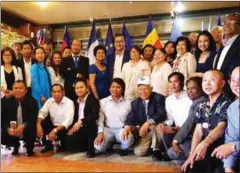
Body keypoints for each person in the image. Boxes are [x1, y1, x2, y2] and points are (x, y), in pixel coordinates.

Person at [181, 69, 231, 173]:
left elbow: (221, 127)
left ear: (222, 83)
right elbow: (198, 131)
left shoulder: (227, 103)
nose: (207, 83)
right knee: (189, 168)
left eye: (212, 80)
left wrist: (205, 143)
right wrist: (191, 155)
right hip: (205, 147)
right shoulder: (202, 106)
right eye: (204, 80)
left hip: (223, 148)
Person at [122, 76, 166, 159]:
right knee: (138, 152)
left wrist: (148, 122)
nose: (143, 92)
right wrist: (127, 126)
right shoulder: (135, 103)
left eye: (145, 89)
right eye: (140, 89)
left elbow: (161, 114)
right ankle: (151, 145)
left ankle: (156, 150)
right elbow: (131, 116)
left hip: (156, 127)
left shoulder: (158, 98)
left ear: (151, 88)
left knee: (156, 125)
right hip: (146, 131)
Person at [167, 77, 206, 164]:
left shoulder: (201, 102)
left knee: (171, 152)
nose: (190, 91)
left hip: (201, 139)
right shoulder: (196, 102)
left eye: (193, 88)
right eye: (188, 89)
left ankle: (193, 157)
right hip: (191, 137)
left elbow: (189, 123)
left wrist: (175, 141)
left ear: (201, 88)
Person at [156, 72, 193, 161]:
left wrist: (174, 129)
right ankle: (175, 152)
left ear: (182, 82)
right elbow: (170, 119)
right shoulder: (169, 100)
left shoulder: (190, 97)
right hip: (177, 131)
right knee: (162, 132)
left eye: (175, 81)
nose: (173, 85)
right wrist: (163, 124)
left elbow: (191, 121)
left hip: (190, 131)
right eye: (170, 82)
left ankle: (179, 153)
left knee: (178, 161)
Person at [94, 78, 134, 156]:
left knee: (128, 140)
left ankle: (123, 148)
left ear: (122, 89)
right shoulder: (103, 102)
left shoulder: (128, 103)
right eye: (113, 87)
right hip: (107, 129)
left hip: (121, 130)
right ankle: (109, 145)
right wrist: (100, 132)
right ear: (109, 88)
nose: (115, 89)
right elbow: (100, 119)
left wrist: (127, 127)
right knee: (98, 146)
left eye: (118, 87)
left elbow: (130, 118)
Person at [212, 66, 240, 172]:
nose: (236, 85)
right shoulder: (233, 107)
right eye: (233, 80)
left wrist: (234, 147)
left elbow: (232, 145)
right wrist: (228, 168)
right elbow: (231, 139)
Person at [1, 80, 38, 156]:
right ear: (12, 90)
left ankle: (29, 147)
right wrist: (8, 129)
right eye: (15, 88)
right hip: (13, 128)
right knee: (5, 127)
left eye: (20, 88)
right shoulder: (5, 102)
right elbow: (2, 119)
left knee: (33, 126)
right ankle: (15, 146)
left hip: (26, 127)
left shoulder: (33, 102)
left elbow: (33, 118)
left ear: (26, 91)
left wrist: (23, 126)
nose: (18, 90)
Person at [66, 79, 99, 158]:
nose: (79, 90)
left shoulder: (93, 100)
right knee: (68, 141)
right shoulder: (74, 102)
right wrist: (72, 127)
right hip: (78, 127)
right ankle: (84, 146)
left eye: (81, 87)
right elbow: (73, 117)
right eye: (77, 88)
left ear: (87, 89)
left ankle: (90, 147)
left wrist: (81, 121)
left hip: (89, 126)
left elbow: (94, 115)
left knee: (90, 127)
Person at [37, 84, 74, 153]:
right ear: (51, 93)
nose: (56, 94)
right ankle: (47, 144)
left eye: (59, 91)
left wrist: (54, 131)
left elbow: (68, 121)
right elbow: (42, 113)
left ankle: (63, 143)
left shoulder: (69, 102)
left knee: (69, 145)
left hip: (64, 128)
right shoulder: (49, 101)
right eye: (54, 92)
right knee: (43, 122)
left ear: (63, 92)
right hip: (53, 126)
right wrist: (38, 125)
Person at [214, 13, 240, 100]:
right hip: (220, 91)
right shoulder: (223, 44)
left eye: (231, 22)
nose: (226, 25)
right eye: (225, 23)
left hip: (234, 92)